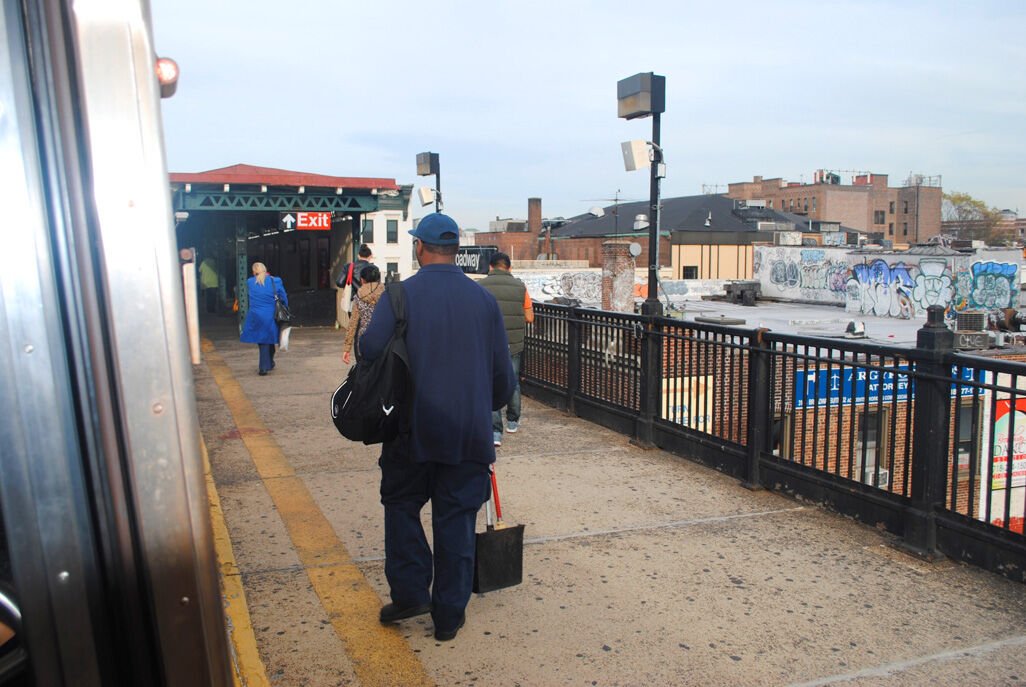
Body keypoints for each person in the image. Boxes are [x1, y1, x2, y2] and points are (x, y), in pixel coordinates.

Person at [359, 213, 515, 642]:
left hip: (410, 431)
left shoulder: (399, 296)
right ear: (455, 250)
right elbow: (504, 381)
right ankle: (448, 615)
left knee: (402, 505)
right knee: (456, 518)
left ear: (420, 249)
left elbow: (369, 348)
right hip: (467, 434)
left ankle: (410, 593)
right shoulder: (482, 300)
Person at [479, 252, 534, 446]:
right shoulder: (521, 287)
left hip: (488, 343)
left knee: (490, 383)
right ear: (509, 268)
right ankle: (512, 421)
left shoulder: (480, 286)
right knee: (513, 380)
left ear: (491, 267)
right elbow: (529, 317)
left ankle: (495, 432)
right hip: (513, 342)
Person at [240, 262, 288, 376]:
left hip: (255, 315)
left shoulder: (250, 282)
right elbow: (283, 297)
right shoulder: (275, 281)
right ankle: (263, 366)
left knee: (264, 340)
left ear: (254, 271)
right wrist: (285, 307)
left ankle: (269, 362)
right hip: (270, 314)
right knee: (266, 339)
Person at [342, 264, 384, 365]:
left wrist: (347, 348)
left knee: (364, 374)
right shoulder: (387, 295)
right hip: (384, 341)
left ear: (362, 280)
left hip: (364, 342)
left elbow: (353, 324)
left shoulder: (358, 297)